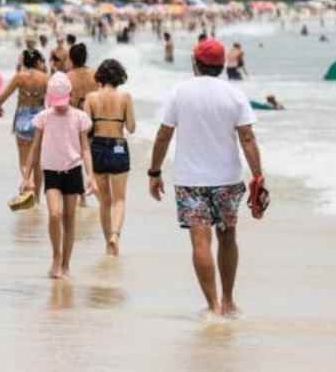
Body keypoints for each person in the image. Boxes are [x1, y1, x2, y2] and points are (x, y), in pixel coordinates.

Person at [149, 39, 264, 317]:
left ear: (195, 62)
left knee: (200, 242)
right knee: (227, 238)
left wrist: (154, 171)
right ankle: (228, 301)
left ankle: (212, 305)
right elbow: (247, 137)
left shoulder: (180, 93)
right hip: (227, 178)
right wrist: (258, 176)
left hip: (190, 181)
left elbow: (164, 134)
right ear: (222, 64)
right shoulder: (234, 95)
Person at [20, 72, 96, 279]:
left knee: (70, 219)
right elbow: (34, 148)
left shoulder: (80, 117)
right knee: (55, 214)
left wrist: (91, 176)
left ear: (70, 95)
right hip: (51, 171)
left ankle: (66, 264)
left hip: (73, 170)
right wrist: (26, 177)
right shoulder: (44, 117)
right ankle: (56, 256)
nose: (60, 105)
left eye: (63, 101)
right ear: (50, 98)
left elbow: (85, 149)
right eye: (56, 101)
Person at [85, 59, 135, 256]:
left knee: (104, 201)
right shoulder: (125, 97)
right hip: (118, 146)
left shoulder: (90, 98)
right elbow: (131, 127)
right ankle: (115, 235)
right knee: (119, 199)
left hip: (97, 146)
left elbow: (86, 127)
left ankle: (108, 243)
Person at [0, 48, 48, 201]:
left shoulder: (19, 77)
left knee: (24, 160)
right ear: (37, 62)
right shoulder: (45, 78)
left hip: (23, 117)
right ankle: (36, 199)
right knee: (37, 162)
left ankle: (29, 183)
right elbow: (52, 99)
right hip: (40, 118)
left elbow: (1, 97)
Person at [65, 43, 97, 108]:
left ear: (71, 58)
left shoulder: (67, 77)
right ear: (86, 57)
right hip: (93, 113)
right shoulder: (95, 74)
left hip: (75, 113)